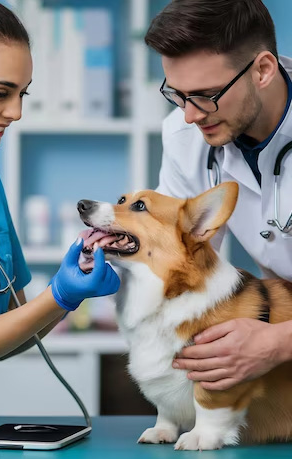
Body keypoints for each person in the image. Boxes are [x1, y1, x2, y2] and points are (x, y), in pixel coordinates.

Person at [0, 1, 120, 457]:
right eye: (0, 93)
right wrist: (58, 296)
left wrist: (67, 294)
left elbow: (7, 338)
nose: (15, 112)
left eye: (24, 94)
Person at [144, 0, 292, 391]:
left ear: (263, 69)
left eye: (206, 94)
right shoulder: (183, 136)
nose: (191, 115)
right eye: (177, 95)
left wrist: (278, 340)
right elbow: (173, 249)